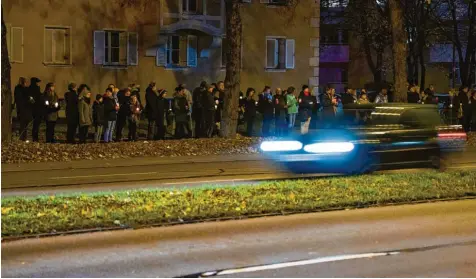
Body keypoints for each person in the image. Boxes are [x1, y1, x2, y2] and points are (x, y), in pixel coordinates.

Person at [29, 77, 43, 142]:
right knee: (36, 123)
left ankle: (35, 137)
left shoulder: (33, 88)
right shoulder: (34, 89)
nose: (38, 83)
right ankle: (35, 137)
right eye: (37, 82)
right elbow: (32, 98)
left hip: (36, 108)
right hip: (36, 108)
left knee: (36, 123)